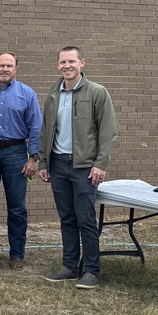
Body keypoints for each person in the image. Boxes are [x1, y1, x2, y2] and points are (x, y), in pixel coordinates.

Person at [38, 46, 118, 290]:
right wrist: (44, 162)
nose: (67, 66)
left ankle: (91, 270)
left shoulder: (97, 92)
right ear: (57, 65)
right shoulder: (53, 94)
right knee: (67, 219)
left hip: (84, 167)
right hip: (58, 164)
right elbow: (46, 131)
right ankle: (70, 267)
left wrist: (100, 164)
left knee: (85, 219)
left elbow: (108, 132)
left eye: (71, 61)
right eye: (62, 62)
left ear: (82, 63)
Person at [0, 52, 43, 271]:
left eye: (9, 65)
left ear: (16, 69)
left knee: (17, 207)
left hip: (16, 153)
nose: (5, 69)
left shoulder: (27, 94)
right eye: (1, 65)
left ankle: (17, 254)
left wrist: (33, 157)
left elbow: (36, 126)